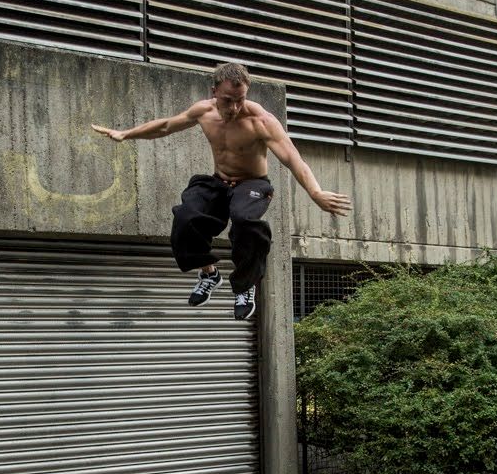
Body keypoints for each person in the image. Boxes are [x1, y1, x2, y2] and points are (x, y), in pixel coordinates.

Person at [92, 63, 351, 321]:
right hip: (219, 182)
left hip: (252, 184)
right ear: (214, 91)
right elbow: (166, 126)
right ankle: (209, 273)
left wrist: (315, 192)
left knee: (244, 220)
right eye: (228, 100)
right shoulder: (203, 111)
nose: (235, 108)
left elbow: (294, 159)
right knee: (185, 217)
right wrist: (126, 134)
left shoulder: (261, 121)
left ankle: (245, 285)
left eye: (241, 100)